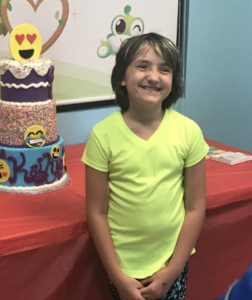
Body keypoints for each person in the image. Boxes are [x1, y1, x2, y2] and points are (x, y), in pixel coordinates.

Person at [81, 32, 209, 300]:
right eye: (143, 66)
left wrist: (172, 271)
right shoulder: (102, 135)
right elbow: (96, 212)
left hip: (171, 264)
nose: (154, 76)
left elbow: (195, 207)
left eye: (164, 69)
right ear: (122, 78)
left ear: (173, 81)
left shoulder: (189, 132)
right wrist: (118, 276)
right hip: (123, 268)